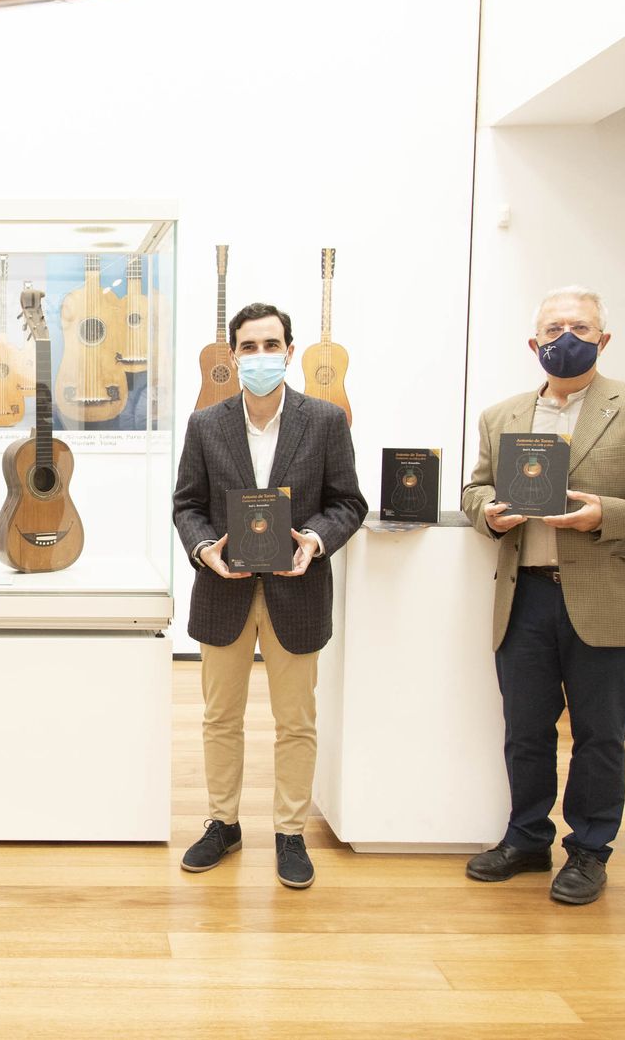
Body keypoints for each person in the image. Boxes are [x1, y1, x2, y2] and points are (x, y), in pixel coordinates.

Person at [461, 285, 625, 905]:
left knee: (600, 735)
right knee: (526, 730)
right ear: (533, 341)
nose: (565, 337)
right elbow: (475, 490)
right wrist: (492, 514)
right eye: (553, 327)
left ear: (603, 337)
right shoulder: (502, 416)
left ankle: (589, 850)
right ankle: (527, 837)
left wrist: (607, 514)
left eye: (580, 326)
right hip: (526, 597)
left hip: (607, 596)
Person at [172, 301, 366, 889]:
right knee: (220, 718)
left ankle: (289, 831)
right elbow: (186, 505)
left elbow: (348, 503)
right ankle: (222, 823)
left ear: (289, 350)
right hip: (223, 590)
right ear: (233, 356)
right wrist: (206, 548)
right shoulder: (207, 423)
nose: (260, 356)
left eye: (271, 345)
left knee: (295, 721)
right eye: (248, 347)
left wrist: (315, 540)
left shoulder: (326, 420)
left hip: (296, 590)